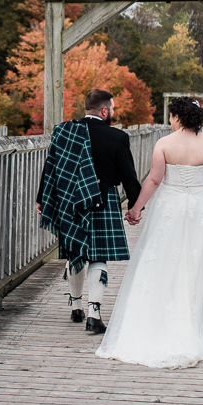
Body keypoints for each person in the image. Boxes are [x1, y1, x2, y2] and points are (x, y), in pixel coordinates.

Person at [96, 96, 203, 367]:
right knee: (193, 261)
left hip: (171, 204)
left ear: (177, 117)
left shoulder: (165, 144)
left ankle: (157, 320)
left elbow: (154, 179)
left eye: (171, 116)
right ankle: (189, 322)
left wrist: (136, 209)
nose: (169, 120)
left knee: (163, 258)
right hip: (200, 207)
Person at [35, 89, 142, 334]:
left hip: (68, 201)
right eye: (112, 109)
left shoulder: (63, 132)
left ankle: (76, 306)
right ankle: (94, 315)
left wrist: (43, 199)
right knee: (98, 256)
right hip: (102, 201)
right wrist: (136, 207)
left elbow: (50, 168)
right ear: (104, 111)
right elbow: (129, 177)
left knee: (76, 251)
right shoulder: (117, 137)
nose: (113, 113)